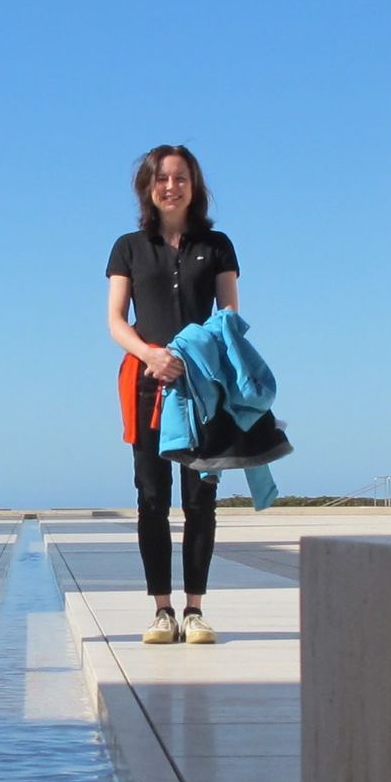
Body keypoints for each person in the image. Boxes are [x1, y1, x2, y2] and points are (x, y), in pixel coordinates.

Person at [105, 143, 238, 646]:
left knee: (202, 497)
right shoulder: (128, 246)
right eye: (161, 178)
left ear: (194, 185)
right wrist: (151, 355)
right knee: (151, 497)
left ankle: (196, 609)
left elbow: (229, 317)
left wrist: (200, 360)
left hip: (203, 383)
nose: (170, 186)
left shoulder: (219, 243)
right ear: (148, 186)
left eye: (180, 178)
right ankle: (162, 610)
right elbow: (115, 321)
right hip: (146, 381)